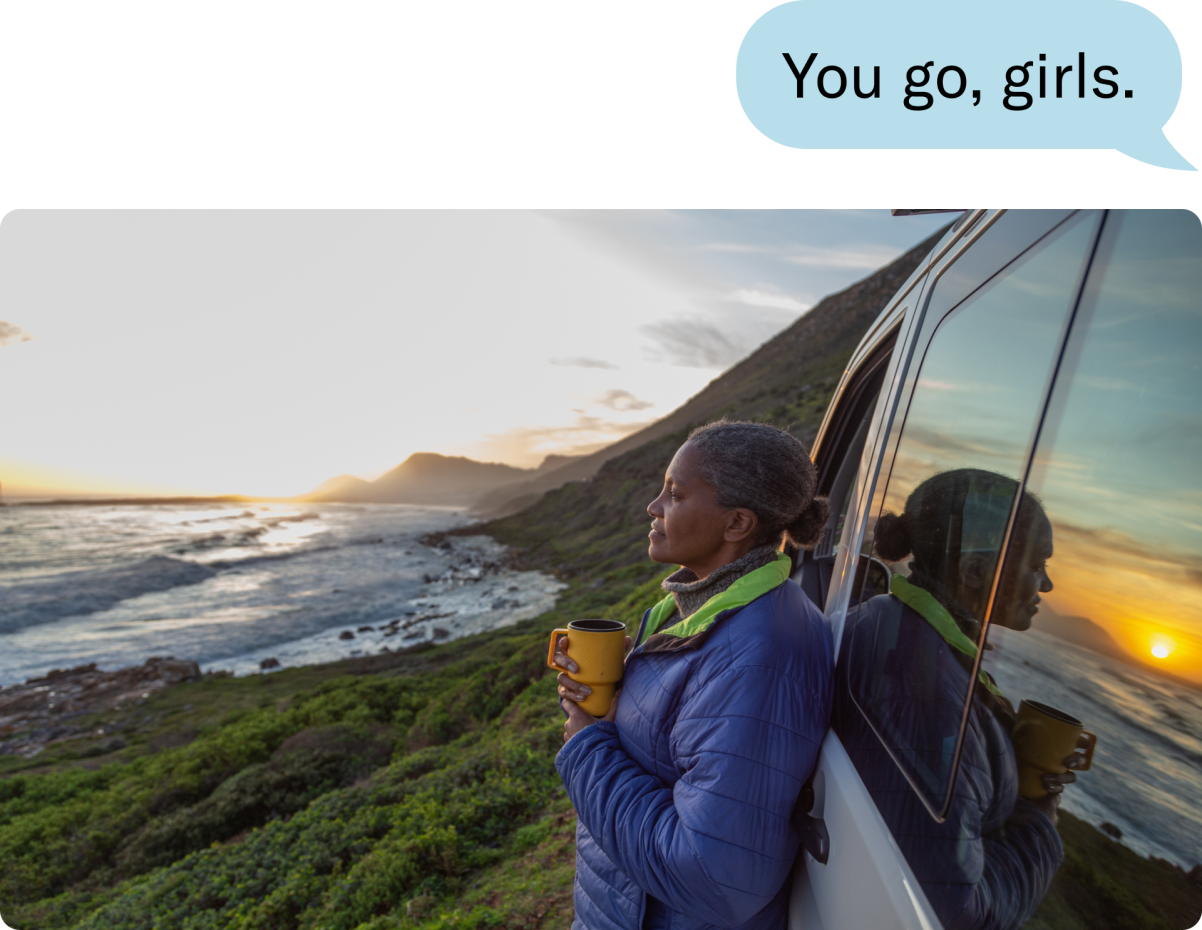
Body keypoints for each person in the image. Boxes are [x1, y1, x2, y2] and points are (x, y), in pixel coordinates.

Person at [551, 419, 835, 930]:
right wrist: (615, 701)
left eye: (675, 494)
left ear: (737, 524)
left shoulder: (759, 657)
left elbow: (711, 876)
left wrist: (589, 747)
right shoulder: (689, 610)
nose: (653, 507)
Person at [835, 468, 1090, 930]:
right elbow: (954, 913)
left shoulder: (894, 624)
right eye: (1037, 566)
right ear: (975, 571)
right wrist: (1039, 822)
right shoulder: (926, 688)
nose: (1047, 586)